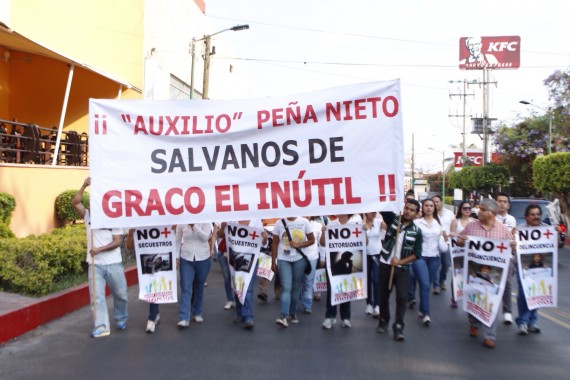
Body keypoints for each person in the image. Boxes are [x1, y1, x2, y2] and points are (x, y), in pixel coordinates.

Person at [72, 177, 128, 338]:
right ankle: (101, 326)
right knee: (96, 298)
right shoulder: (88, 216)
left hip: (113, 263)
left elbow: (118, 241)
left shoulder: (114, 218)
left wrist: (100, 249)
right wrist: (83, 185)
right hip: (95, 265)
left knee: (121, 294)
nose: (90, 203)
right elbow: (75, 203)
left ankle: (121, 318)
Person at [457, 198, 514, 349]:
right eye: (479, 209)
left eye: (482, 210)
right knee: (474, 297)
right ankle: (474, 323)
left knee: (491, 300)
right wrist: (462, 240)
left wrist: (513, 245)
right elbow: (459, 241)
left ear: (492, 213)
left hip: (493, 273)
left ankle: (490, 335)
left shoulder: (502, 229)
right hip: (474, 271)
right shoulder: (471, 226)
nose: (479, 212)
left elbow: (512, 247)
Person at [376, 199, 422, 341]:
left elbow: (417, 253)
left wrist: (400, 261)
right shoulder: (393, 220)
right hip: (385, 264)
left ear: (416, 214)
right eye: (406, 208)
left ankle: (398, 327)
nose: (408, 211)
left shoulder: (417, 232)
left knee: (402, 297)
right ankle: (384, 320)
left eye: (412, 210)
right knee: (383, 295)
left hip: (402, 268)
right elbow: (382, 207)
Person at [515, 204, 561, 336]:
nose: (536, 217)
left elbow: (555, 247)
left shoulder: (547, 229)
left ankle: (532, 322)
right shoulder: (520, 230)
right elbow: (514, 247)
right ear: (526, 217)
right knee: (524, 293)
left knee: (536, 293)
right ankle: (522, 322)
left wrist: (557, 234)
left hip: (541, 267)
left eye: (538, 214)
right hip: (524, 266)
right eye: (532, 214)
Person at [218, 220, 267, 330]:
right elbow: (219, 235)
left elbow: (263, 242)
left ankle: (248, 317)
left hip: (251, 259)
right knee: (237, 286)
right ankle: (240, 313)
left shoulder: (256, 221)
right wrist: (223, 227)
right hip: (235, 258)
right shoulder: (232, 220)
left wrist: (264, 237)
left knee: (247, 287)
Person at [271, 216, 315, 327]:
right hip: (283, 259)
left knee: (296, 287)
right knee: (286, 287)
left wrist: (298, 244)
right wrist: (273, 261)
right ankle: (283, 316)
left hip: (299, 259)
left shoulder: (304, 222)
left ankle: (292, 313)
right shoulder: (279, 223)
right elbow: (274, 243)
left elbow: (312, 240)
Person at [320, 214, 362, 329]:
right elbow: (323, 243)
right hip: (332, 264)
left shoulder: (355, 224)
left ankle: (345, 318)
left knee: (346, 289)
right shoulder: (332, 224)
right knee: (332, 289)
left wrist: (364, 231)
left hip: (345, 268)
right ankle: (330, 316)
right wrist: (323, 232)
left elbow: (364, 242)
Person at [410, 198, 447, 327]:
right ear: (422, 208)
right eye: (426, 205)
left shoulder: (438, 224)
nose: (429, 208)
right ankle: (426, 313)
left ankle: (421, 308)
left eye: (431, 206)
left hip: (435, 257)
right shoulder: (416, 223)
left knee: (427, 285)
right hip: (420, 256)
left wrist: (445, 239)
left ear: (434, 208)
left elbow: (443, 241)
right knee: (425, 284)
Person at [176, 222, 213, 328]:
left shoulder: (205, 220)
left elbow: (206, 237)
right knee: (186, 287)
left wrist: (194, 226)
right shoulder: (181, 222)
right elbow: (177, 240)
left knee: (199, 286)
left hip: (203, 258)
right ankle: (184, 317)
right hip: (186, 258)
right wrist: (176, 258)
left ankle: (197, 312)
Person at [495, 192, 517, 325]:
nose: (502, 203)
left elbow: (514, 237)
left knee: (507, 284)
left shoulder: (512, 220)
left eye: (505, 201)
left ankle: (507, 311)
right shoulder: (491, 218)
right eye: (499, 201)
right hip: (493, 257)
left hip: (507, 256)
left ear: (508, 205)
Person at [449, 201, 476, 308]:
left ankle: (470, 297)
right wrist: (455, 235)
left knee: (471, 275)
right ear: (461, 210)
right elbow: (451, 235)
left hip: (471, 253)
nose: (467, 210)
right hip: (458, 252)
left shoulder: (474, 222)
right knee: (457, 275)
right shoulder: (455, 222)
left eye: (469, 208)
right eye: (465, 208)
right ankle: (454, 297)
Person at [363, 212, 386, 317]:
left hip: (376, 254)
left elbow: (384, 235)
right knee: (367, 280)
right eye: (371, 212)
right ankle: (369, 304)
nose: (373, 213)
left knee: (376, 279)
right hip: (364, 255)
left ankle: (377, 305)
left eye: (374, 212)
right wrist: (363, 231)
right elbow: (363, 242)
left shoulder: (379, 222)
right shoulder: (360, 224)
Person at [300, 216, 323, 315]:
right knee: (297, 281)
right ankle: (293, 304)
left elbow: (321, 244)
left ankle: (307, 305)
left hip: (312, 256)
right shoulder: (297, 224)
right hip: (298, 256)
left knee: (309, 281)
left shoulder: (318, 226)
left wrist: (322, 257)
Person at [433, 195, 453, 293]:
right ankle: (436, 285)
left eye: (437, 201)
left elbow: (453, 226)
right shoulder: (430, 214)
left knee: (446, 264)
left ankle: (442, 281)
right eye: (434, 202)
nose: (436, 203)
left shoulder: (449, 213)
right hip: (434, 244)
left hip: (447, 243)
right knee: (436, 264)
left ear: (441, 202)